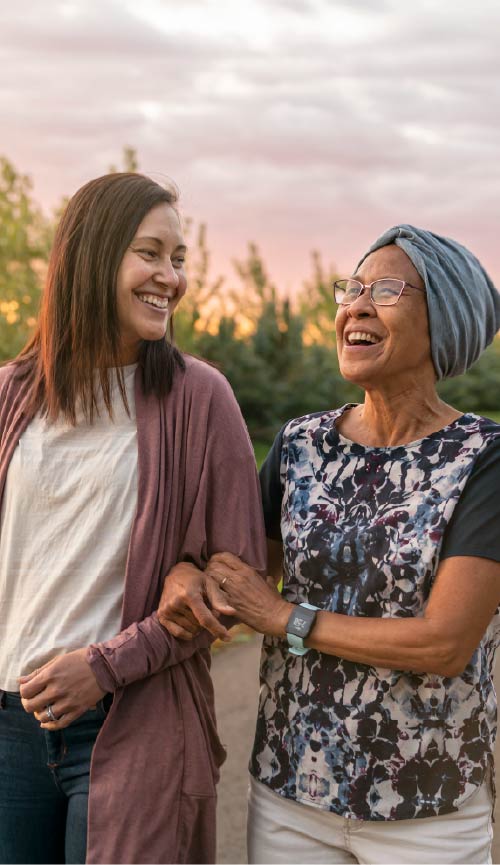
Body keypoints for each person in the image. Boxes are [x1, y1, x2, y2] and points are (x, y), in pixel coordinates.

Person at [159, 225, 500, 864]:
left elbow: (445, 643)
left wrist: (286, 618)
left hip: (428, 812)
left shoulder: (484, 460)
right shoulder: (299, 445)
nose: (357, 305)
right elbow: (232, 569)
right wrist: (186, 572)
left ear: (446, 323)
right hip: (291, 798)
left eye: (389, 289)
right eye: (353, 288)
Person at [0, 171, 266, 865]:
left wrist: (105, 665)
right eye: (151, 253)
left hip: (131, 718)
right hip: (7, 729)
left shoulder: (201, 398)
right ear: (91, 255)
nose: (170, 277)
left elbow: (233, 585)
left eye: (178, 258)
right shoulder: (9, 394)